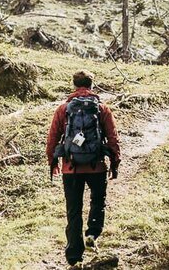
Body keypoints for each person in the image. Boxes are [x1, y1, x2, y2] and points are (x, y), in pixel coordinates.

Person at [46, 70, 121, 267]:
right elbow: (113, 139)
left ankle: (74, 257)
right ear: (91, 85)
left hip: (71, 169)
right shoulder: (102, 109)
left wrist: (52, 163)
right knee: (98, 200)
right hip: (96, 167)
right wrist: (115, 163)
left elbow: (52, 139)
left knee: (73, 210)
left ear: (74, 85)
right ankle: (92, 233)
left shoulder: (63, 109)